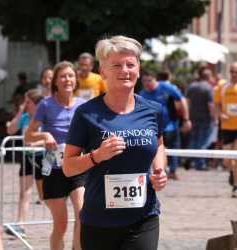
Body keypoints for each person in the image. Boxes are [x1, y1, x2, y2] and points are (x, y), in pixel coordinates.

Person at [63, 35, 168, 250]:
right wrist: (97, 156)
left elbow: (158, 145)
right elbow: (68, 167)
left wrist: (159, 170)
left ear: (138, 70)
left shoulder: (153, 110)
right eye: (117, 65)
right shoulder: (86, 113)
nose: (125, 70)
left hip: (143, 217)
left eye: (131, 64)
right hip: (98, 221)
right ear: (103, 72)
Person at [25, 61, 85, 250]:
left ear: (76, 80)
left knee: (83, 215)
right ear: (56, 82)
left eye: (71, 76)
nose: (67, 79)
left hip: (77, 167)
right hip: (52, 168)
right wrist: (45, 135)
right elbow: (29, 135)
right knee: (61, 224)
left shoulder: (83, 106)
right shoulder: (46, 104)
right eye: (63, 76)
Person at [6, 89, 45, 237]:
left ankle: (60, 219)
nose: (25, 104)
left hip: (43, 158)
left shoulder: (45, 118)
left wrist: (38, 143)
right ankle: (20, 224)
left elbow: (51, 136)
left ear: (36, 104)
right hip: (27, 157)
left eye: (27, 102)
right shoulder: (24, 117)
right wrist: (20, 112)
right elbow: (10, 130)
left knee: (45, 196)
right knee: (25, 192)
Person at [140, 70, 191, 180]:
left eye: (149, 80)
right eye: (144, 81)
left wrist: (186, 119)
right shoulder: (142, 94)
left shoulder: (166, 87)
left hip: (170, 124)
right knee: (156, 149)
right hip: (153, 128)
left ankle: (172, 170)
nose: (147, 83)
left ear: (155, 80)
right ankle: (159, 170)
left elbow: (182, 99)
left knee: (173, 147)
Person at [214, 61, 237, 198]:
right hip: (227, 126)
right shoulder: (222, 87)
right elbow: (216, 104)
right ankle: (233, 173)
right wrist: (220, 114)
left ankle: (236, 187)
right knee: (227, 160)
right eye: (232, 72)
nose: (234, 74)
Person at [186, 67, 217, 170]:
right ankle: (200, 164)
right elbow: (211, 105)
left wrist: (187, 116)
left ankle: (189, 158)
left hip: (193, 117)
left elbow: (187, 102)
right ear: (208, 77)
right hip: (205, 118)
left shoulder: (192, 86)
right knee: (203, 141)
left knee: (194, 139)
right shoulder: (208, 88)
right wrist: (214, 118)